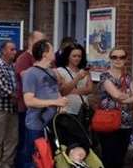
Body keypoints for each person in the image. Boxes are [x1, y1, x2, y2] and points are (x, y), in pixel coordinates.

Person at [22, 39, 68, 168]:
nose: (55, 52)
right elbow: (29, 101)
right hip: (36, 123)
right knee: (34, 158)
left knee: (50, 158)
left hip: (52, 122)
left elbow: (55, 92)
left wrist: (61, 103)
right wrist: (55, 102)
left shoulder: (51, 71)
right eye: (52, 50)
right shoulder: (31, 73)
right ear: (44, 54)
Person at [97, 48, 133, 168]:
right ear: (110, 59)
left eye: (121, 57)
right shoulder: (105, 76)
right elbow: (117, 95)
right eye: (114, 57)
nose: (118, 60)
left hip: (126, 123)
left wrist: (125, 97)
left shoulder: (129, 77)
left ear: (126, 59)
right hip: (108, 122)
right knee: (109, 158)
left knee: (120, 158)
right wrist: (128, 95)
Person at [15, 30, 45, 168]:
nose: (44, 45)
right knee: (27, 144)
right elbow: (26, 77)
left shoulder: (42, 59)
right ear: (31, 42)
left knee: (38, 144)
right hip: (27, 109)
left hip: (42, 109)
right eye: (40, 41)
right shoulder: (24, 59)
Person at [56, 43, 92, 117]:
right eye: (74, 56)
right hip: (67, 111)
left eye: (79, 56)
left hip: (83, 111)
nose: (77, 58)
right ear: (68, 57)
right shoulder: (60, 71)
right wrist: (78, 77)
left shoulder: (85, 71)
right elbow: (63, 92)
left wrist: (71, 90)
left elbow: (89, 89)